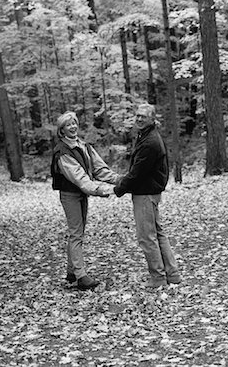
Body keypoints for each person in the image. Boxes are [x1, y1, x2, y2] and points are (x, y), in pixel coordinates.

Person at [114, 103, 181, 289]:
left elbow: (137, 173)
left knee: (147, 237)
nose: (139, 119)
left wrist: (118, 189)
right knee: (158, 234)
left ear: (152, 118)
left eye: (143, 116)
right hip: (149, 192)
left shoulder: (150, 141)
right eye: (137, 116)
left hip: (146, 193)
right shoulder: (145, 136)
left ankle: (158, 277)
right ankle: (172, 274)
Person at [51, 111, 118, 291]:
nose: (73, 127)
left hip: (82, 195)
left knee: (77, 233)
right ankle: (81, 277)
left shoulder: (84, 146)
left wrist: (121, 180)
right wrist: (109, 190)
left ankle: (71, 272)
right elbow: (82, 180)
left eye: (74, 123)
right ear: (61, 130)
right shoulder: (62, 152)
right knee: (76, 234)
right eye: (68, 125)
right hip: (70, 195)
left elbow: (100, 169)